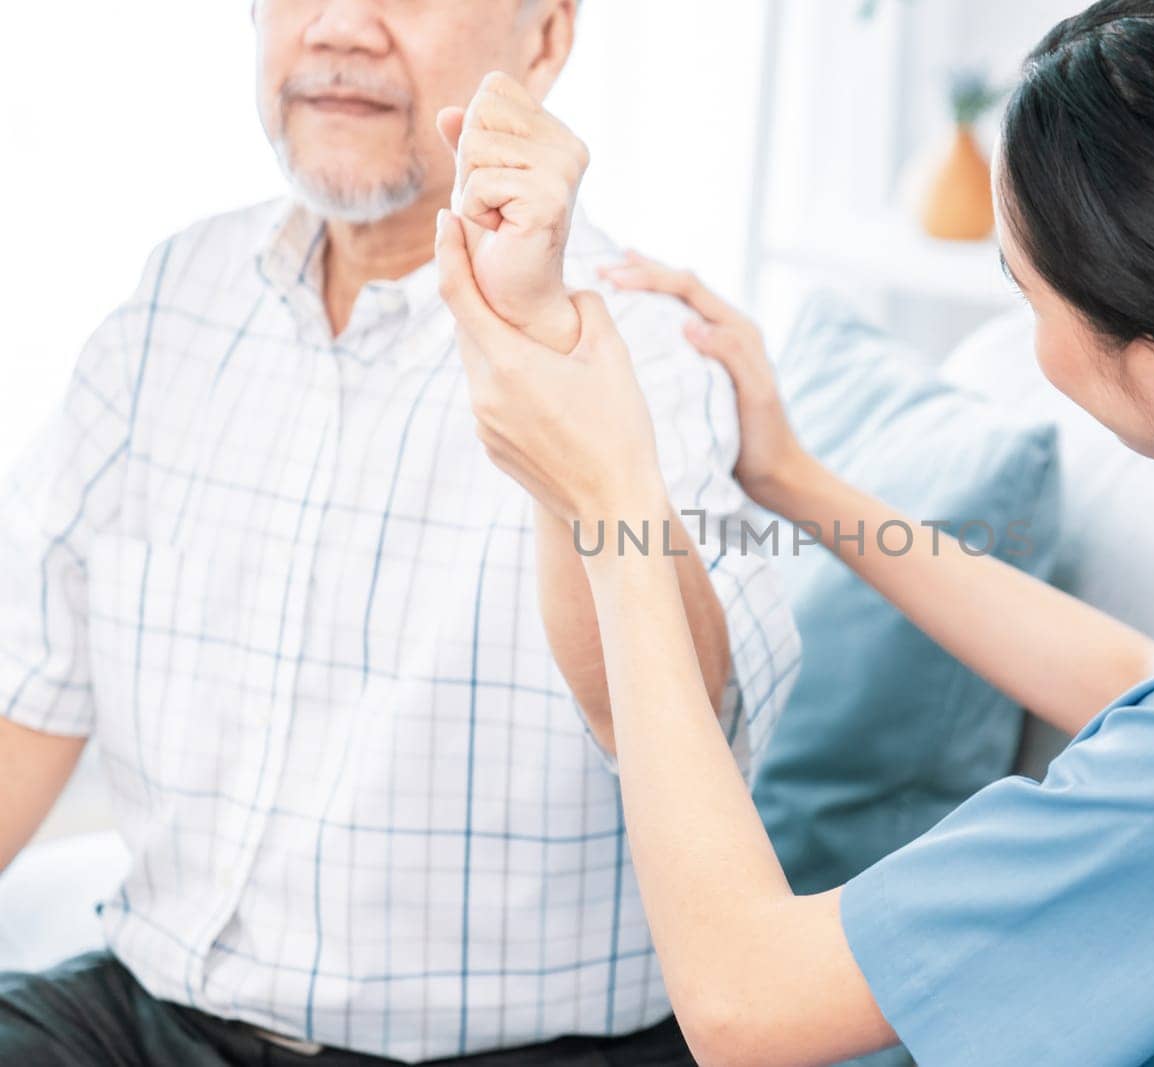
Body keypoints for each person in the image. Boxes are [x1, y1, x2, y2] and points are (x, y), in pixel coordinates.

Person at [432, 0, 1154, 1063]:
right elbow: (1145, 681)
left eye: (1027, 291)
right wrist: (793, 477)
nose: (1028, 332)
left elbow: (749, 1002)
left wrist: (610, 496)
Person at [0, 1, 797, 1063]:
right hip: (152, 1013)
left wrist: (539, 348)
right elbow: (29, 693)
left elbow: (690, 713)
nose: (338, 26)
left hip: (515, 1048)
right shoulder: (171, 299)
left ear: (544, 42)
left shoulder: (639, 337)